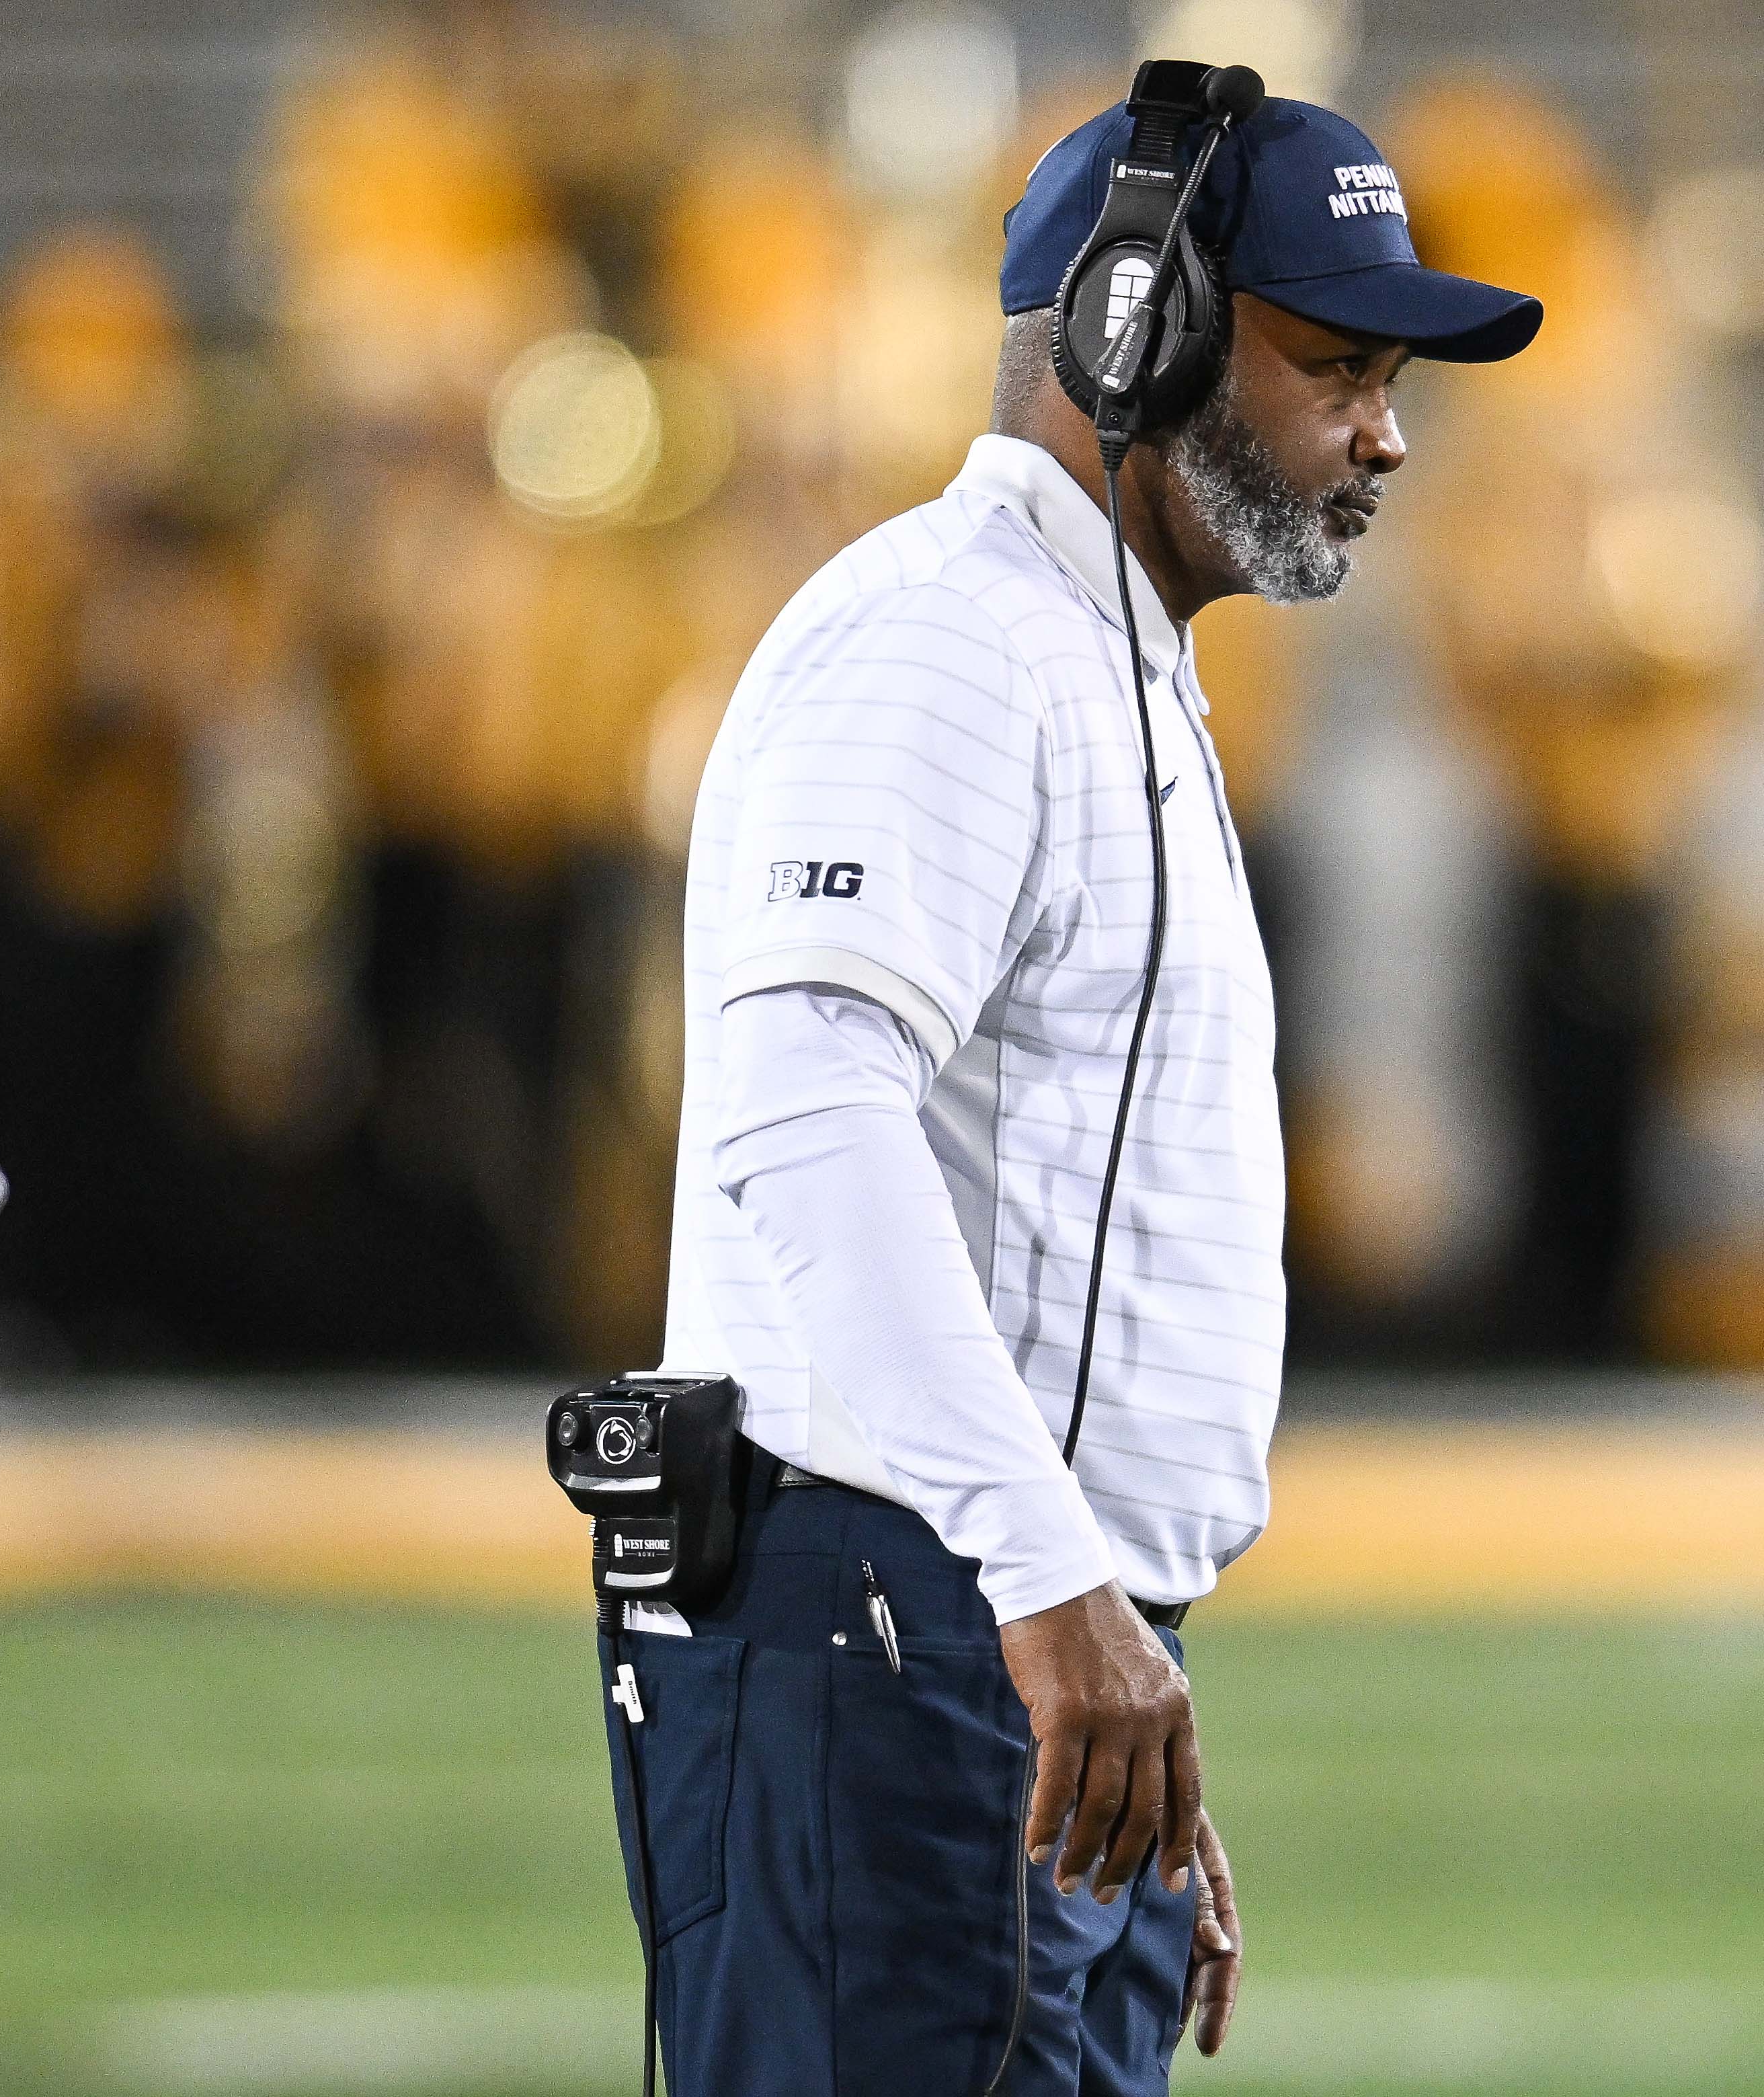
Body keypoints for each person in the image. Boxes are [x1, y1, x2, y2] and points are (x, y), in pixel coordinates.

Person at [627, 76, 1538, 2096]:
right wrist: (1052, 1601)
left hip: (996, 1650)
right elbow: (807, 1116)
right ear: (1144, 334)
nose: (1387, 431)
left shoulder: (1098, 656)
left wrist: (1111, 1659)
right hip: (907, 1627)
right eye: (1336, 363)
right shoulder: (947, 645)